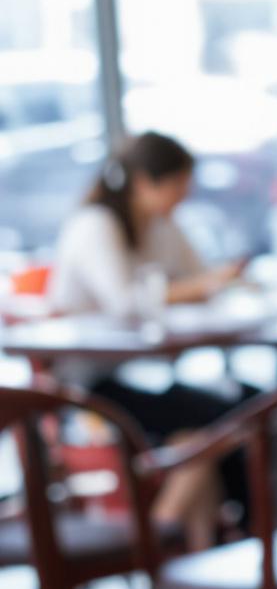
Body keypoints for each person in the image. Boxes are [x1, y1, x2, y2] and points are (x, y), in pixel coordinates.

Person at [45, 132, 250, 542]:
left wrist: (204, 284)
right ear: (144, 182)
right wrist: (196, 287)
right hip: (88, 390)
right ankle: (162, 543)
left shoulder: (160, 224)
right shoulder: (94, 225)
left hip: (141, 374)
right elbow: (126, 302)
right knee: (218, 420)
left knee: (234, 411)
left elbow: (201, 278)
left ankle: (199, 553)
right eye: (178, 184)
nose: (184, 195)